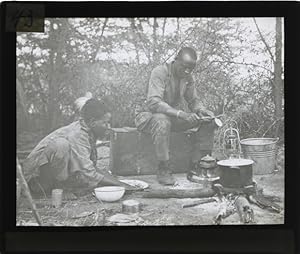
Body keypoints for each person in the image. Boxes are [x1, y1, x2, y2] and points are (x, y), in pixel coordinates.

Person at [135, 47, 216, 185]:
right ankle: (163, 168)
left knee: (208, 121)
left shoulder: (187, 77)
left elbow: (193, 100)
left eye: (190, 69)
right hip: (148, 117)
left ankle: (200, 164)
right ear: (176, 60)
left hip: (172, 118)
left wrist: (201, 110)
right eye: (184, 67)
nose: (187, 71)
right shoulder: (160, 72)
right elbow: (154, 102)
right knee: (162, 121)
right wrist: (181, 114)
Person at [24, 98, 136, 198]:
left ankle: (58, 186)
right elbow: (88, 172)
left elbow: (90, 167)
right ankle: (49, 189)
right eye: (105, 123)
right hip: (34, 179)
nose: (108, 127)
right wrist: (120, 185)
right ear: (92, 122)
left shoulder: (87, 132)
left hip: (47, 173)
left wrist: (119, 183)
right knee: (61, 145)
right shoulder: (78, 134)